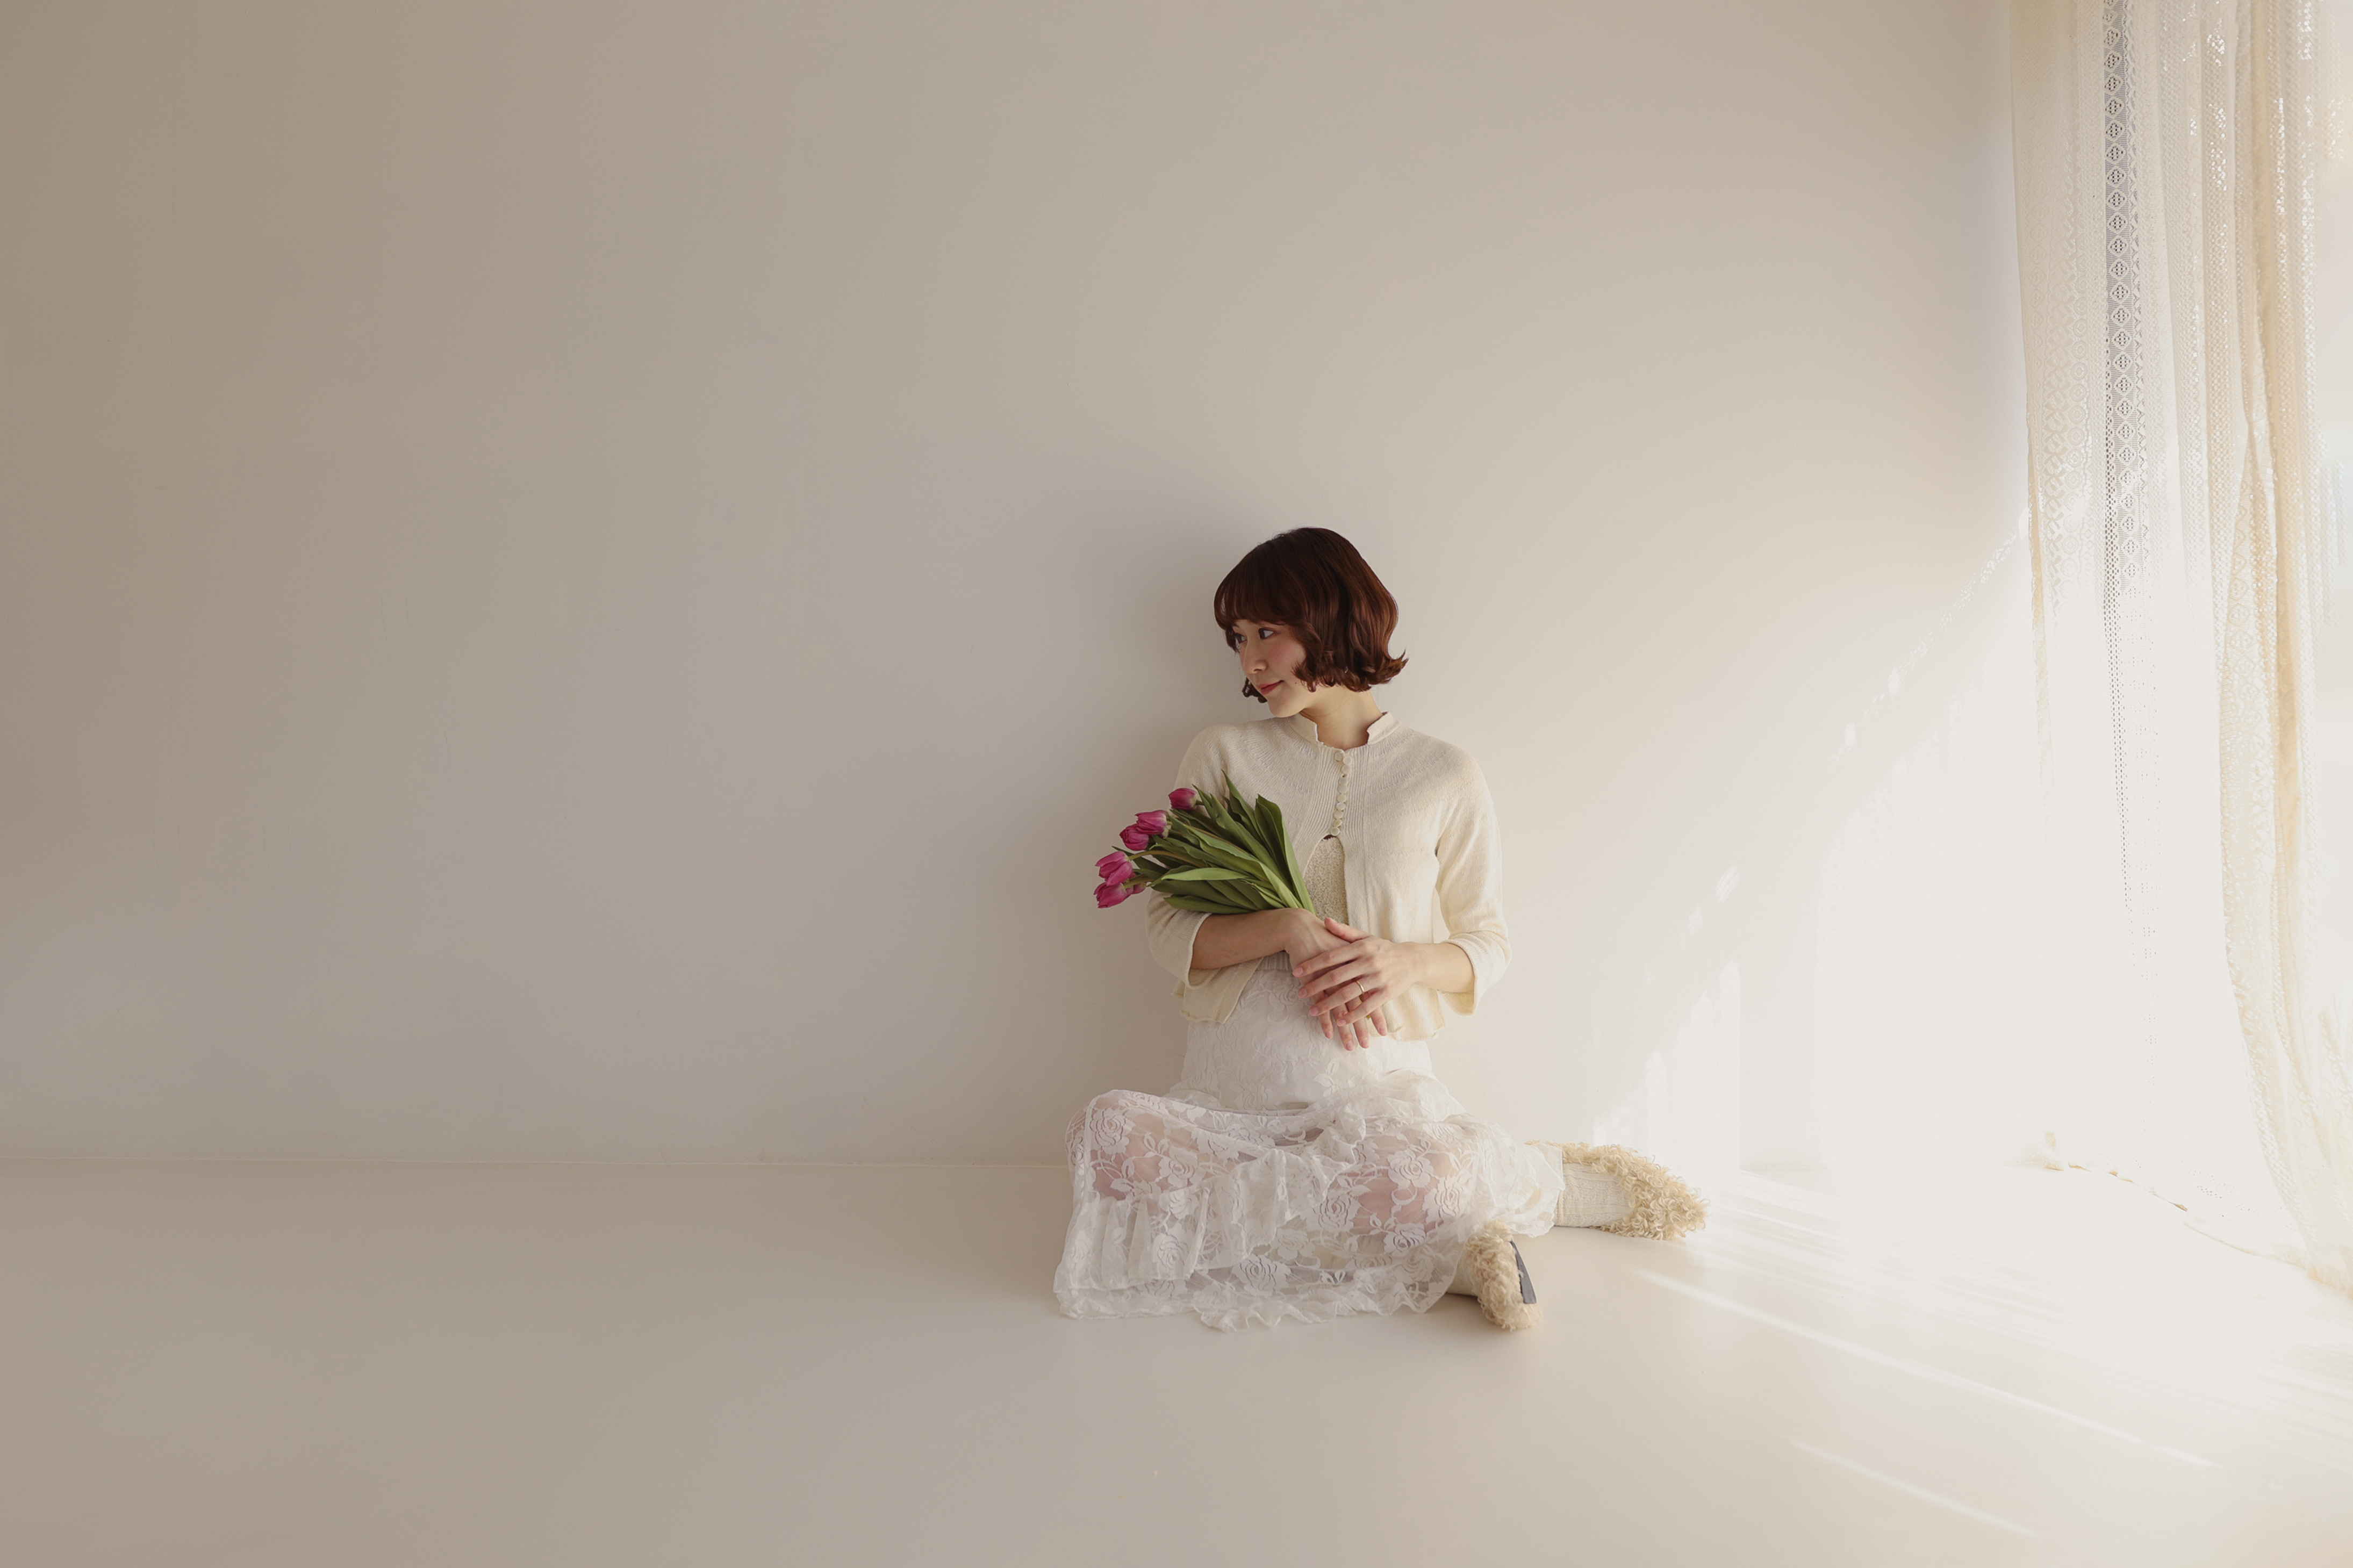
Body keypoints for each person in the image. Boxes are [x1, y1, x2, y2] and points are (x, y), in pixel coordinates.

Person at [1055, 528, 1703, 1332]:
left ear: (1330, 617)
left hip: (1373, 1107)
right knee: (1106, 1137)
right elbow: (1168, 930)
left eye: (1266, 632)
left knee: (1426, 1171)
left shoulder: (1443, 773)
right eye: (1238, 639)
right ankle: (1449, 1248)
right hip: (1228, 1112)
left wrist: (1404, 962)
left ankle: (1526, 1190)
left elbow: (1488, 943)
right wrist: (1287, 926)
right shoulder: (1222, 754)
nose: (1250, 661)